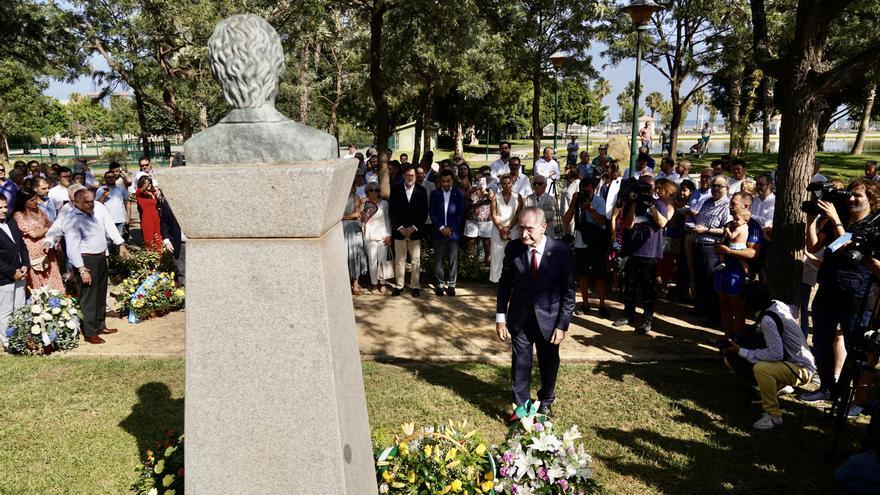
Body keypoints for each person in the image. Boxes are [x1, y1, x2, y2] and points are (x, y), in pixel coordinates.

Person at [800, 178, 880, 403]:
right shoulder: (842, 216)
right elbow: (813, 247)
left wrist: (835, 219)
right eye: (850, 194)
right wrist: (811, 221)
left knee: (856, 348)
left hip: (857, 293)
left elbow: (848, 244)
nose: (852, 199)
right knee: (822, 342)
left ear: (871, 200)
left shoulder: (874, 224)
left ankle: (851, 395)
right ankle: (827, 387)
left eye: (858, 196)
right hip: (828, 288)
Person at [495, 207, 575, 417]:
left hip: (549, 321)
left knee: (549, 363)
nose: (523, 234)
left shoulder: (560, 251)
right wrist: (500, 318)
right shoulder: (513, 249)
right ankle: (521, 408)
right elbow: (505, 285)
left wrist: (562, 324)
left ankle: (546, 401)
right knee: (520, 363)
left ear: (543, 227)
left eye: (529, 229)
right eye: (521, 228)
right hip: (520, 319)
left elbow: (568, 292)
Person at [723, 295, 816, 430]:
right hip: (794, 364)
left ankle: (773, 416)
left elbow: (775, 354)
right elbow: (795, 310)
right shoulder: (777, 304)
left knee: (762, 369)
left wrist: (742, 351)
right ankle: (780, 385)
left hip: (801, 369)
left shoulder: (767, 320)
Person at [613, 175, 669, 334]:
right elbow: (628, 225)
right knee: (629, 287)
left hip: (650, 253)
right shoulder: (632, 203)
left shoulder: (659, 204)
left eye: (647, 187)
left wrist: (650, 206)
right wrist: (634, 203)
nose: (644, 190)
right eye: (641, 186)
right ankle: (628, 315)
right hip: (632, 251)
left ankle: (647, 319)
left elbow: (663, 223)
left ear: (653, 189)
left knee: (648, 289)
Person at [63, 189, 117, 345]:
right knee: (89, 298)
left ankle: (100, 325)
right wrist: (81, 268)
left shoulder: (92, 216)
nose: (90, 204)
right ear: (76, 203)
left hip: (100, 258)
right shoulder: (73, 220)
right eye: (86, 202)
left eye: (92, 201)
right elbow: (72, 248)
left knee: (100, 294)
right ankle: (89, 332)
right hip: (87, 261)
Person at [687, 175, 732, 326]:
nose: (715, 189)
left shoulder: (727, 205)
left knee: (711, 281)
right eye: (713, 186)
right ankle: (701, 308)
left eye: (719, 186)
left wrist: (706, 229)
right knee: (700, 279)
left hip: (712, 248)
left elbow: (727, 229)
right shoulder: (707, 201)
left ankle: (715, 316)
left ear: (727, 188)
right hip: (698, 244)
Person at [562, 178, 609, 318]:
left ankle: (602, 304)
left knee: (599, 275)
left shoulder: (599, 201)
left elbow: (601, 221)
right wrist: (572, 205)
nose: (585, 194)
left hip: (596, 242)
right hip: (580, 241)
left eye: (588, 191)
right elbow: (565, 221)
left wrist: (590, 208)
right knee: (582, 274)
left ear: (593, 189)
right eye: (583, 191)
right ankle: (585, 303)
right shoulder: (576, 200)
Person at [389, 165, 429, 297]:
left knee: (415, 260)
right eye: (408, 175)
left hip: (415, 231)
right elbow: (392, 211)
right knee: (399, 260)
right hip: (399, 231)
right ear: (404, 176)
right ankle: (399, 286)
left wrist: (414, 227)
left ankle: (415, 286)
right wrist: (400, 228)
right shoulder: (395, 190)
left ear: (416, 176)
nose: (410, 178)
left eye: (412, 175)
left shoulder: (422, 191)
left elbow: (424, 213)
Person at [12, 189, 63, 291]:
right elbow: (34, 234)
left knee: (52, 277)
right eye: (31, 200)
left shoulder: (39, 211)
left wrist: (45, 229)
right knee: (38, 281)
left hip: (47, 248)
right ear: (23, 202)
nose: (35, 202)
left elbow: (51, 225)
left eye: (35, 199)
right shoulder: (19, 215)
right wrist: (46, 229)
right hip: (32, 252)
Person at [429, 170, 465, 296]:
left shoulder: (458, 193)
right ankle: (439, 284)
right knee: (439, 260)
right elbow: (432, 213)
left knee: (452, 260)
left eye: (448, 181)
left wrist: (451, 228)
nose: (445, 183)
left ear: (452, 180)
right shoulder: (435, 193)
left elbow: (461, 213)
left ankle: (451, 285)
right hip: (439, 232)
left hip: (453, 233)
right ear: (440, 181)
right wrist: (440, 227)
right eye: (443, 181)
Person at [0, 196, 29, 349]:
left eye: (5, 207)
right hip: (4, 277)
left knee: (19, 307)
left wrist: (25, 264)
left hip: (20, 272)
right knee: (5, 311)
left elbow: (21, 245)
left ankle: (19, 337)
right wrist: (12, 272)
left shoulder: (11, 222)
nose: (4, 210)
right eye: (0, 208)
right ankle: (8, 342)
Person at [489, 174, 523, 283]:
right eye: (504, 183)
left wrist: (508, 227)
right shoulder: (495, 197)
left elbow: (518, 214)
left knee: (513, 255)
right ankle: (497, 281)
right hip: (497, 229)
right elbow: (493, 215)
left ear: (512, 184)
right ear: (501, 185)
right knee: (497, 255)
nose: (507, 185)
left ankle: (512, 280)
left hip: (513, 229)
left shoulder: (518, 197)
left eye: (509, 183)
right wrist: (501, 229)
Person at [360, 182, 392, 293]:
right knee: (372, 261)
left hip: (383, 236)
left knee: (382, 261)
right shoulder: (364, 204)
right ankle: (374, 284)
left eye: (376, 190)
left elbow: (388, 219)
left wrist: (389, 235)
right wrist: (362, 217)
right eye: (371, 190)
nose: (374, 192)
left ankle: (382, 283)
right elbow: (361, 223)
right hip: (369, 236)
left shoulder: (385, 204)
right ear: (367, 191)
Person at [342, 179, 368, 295]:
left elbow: (357, 214)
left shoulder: (356, 197)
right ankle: (344, 282)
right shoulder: (338, 198)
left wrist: (343, 217)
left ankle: (355, 283)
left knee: (355, 254)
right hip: (340, 229)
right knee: (344, 256)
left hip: (352, 229)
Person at [463, 170, 493, 268]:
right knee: (471, 242)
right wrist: (472, 190)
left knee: (487, 244)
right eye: (476, 179)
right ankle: (470, 268)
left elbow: (491, 198)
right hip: (472, 220)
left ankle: (487, 267)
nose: (479, 181)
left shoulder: (490, 188)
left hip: (485, 220)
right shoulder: (472, 189)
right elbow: (465, 198)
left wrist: (485, 191)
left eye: (481, 179)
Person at [158, 192, 186, 287]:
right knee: (182, 272)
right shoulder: (169, 203)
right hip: (180, 244)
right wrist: (166, 240)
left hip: (198, 244)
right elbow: (164, 223)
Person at [96, 169, 131, 237]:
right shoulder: (101, 189)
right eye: (108, 177)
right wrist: (103, 196)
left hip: (121, 220)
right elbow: (97, 205)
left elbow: (127, 203)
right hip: (108, 221)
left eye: (112, 177)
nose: (111, 179)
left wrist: (128, 217)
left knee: (122, 242)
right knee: (110, 243)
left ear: (115, 178)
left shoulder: (121, 188)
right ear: (105, 179)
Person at [135, 175, 163, 252]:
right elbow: (142, 190)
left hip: (156, 218)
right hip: (147, 218)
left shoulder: (153, 193)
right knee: (149, 240)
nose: (148, 185)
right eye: (146, 183)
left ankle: (161, 259)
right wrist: (147, 181)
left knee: (158, 239)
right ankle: (151, 259)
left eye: (150, 183)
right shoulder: (139, 192)